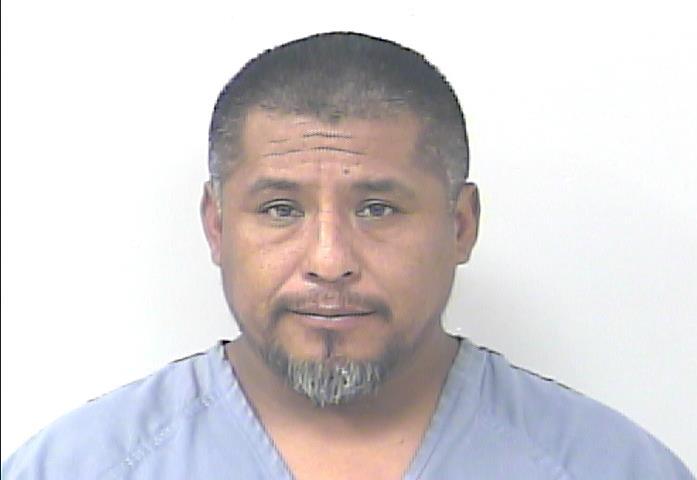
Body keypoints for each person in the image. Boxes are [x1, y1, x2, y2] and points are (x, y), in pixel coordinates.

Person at [2, 32, 692, 480]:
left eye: (378, 209)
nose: (329, 261)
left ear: (459, 226)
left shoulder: (608, 466)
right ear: (216, 226)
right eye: (281, 209)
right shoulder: (79, 467)